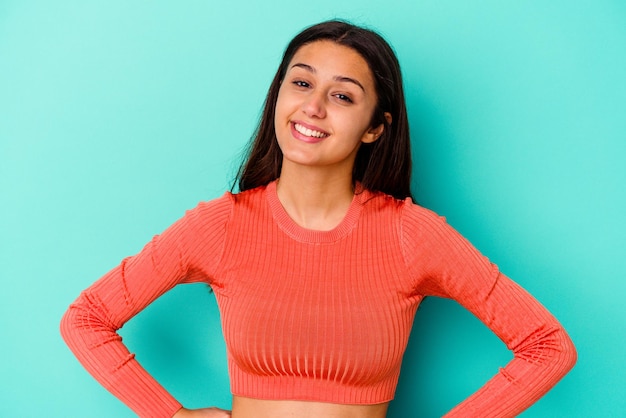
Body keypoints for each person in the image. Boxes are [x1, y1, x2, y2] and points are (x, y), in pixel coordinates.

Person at [60, 20, 577, 418]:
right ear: (279, 96)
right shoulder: (220, 226)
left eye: (343, 95)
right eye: (301, 83)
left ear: (376, 127)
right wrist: (170, 414)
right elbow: (85, 319)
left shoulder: (411, 234)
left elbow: (548, 346)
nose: (313, 107)